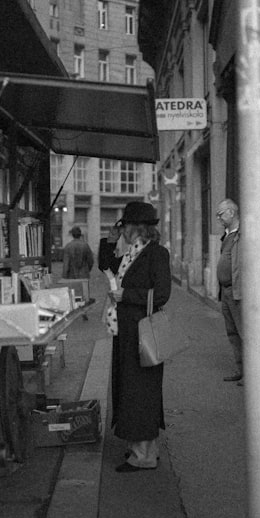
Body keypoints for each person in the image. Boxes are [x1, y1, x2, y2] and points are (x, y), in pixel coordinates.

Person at [104, 201, 172, 472]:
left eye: (125, 227)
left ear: (137, 228)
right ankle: (140, 449)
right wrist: (110, 240)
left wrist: (125, 296)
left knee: (141, 392)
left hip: (143, 332)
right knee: (131, 390)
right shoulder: (131, 252)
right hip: (128, 332)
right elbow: (105, 265)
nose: (123, 231)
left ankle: (143, 456)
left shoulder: (156, 254)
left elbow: (163, 293)